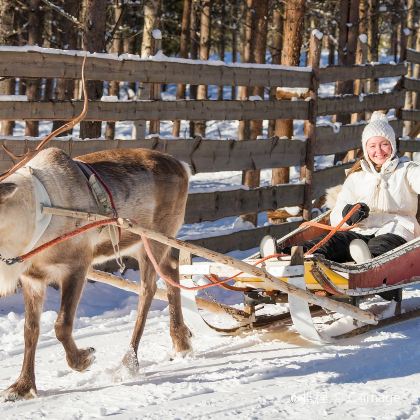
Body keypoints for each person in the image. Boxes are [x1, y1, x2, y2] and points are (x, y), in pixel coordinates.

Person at [261, 111, 420, 264]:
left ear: (392, 145)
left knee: (382, 245)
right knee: (333, 242)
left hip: (396, 229)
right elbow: (336, 216)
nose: (378, 151)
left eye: (384, 144)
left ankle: (367, 262)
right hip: (360, 230)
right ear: (365, 149)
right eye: (372, 146)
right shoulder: (356, 176)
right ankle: (286, 255)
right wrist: (348, 214)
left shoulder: (406, 170)